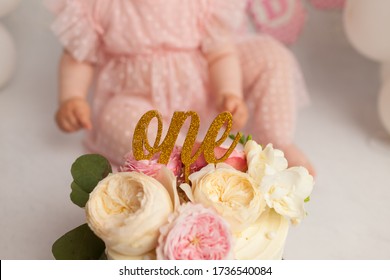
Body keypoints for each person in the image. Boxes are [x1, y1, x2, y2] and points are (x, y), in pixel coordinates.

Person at [49, 0, 315, 176]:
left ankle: (275, 142)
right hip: (138, 97)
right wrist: (72, 98)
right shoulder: (97, 5)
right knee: (116, 119)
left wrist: (229, 92)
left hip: (204, 86)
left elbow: (220, 52)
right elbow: (78, 57)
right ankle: (186, 157)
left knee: (270, 54)